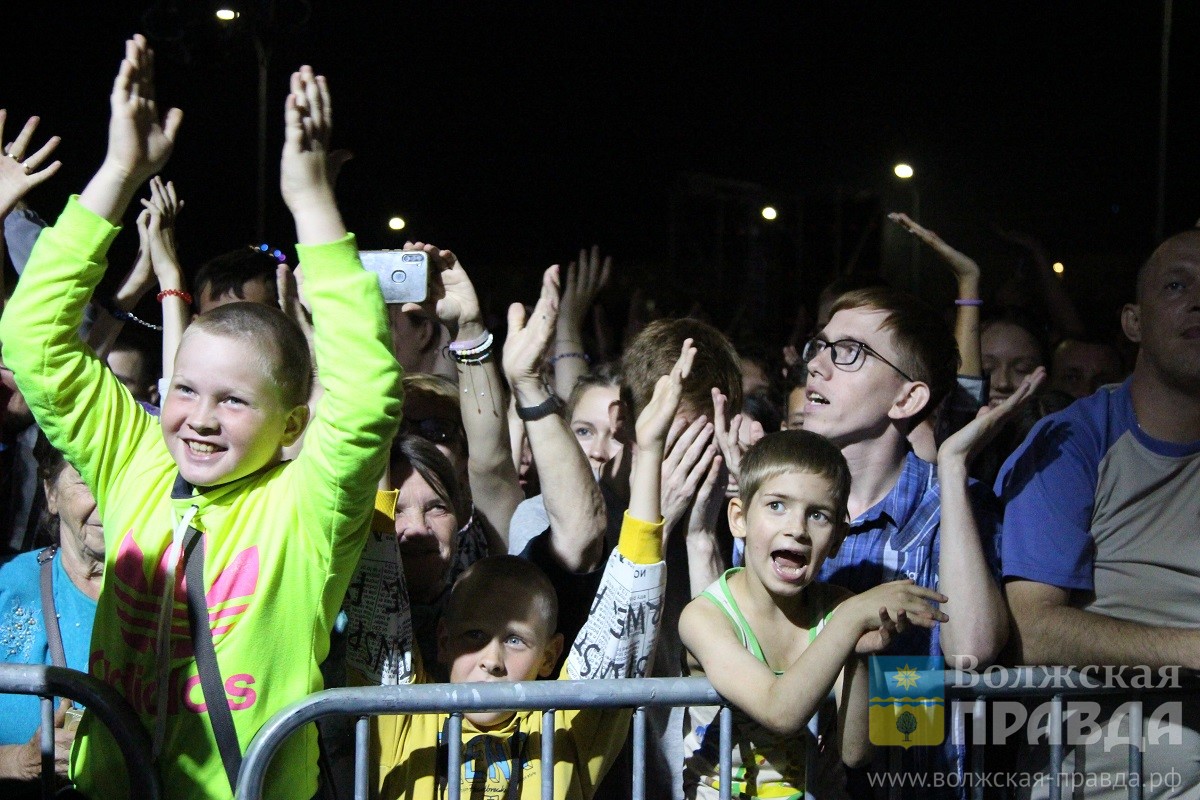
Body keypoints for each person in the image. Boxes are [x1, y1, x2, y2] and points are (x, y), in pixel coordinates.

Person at [0, 38, 402, 800]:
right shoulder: (136, 463)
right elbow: (31, 339)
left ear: (291, 425)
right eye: (184, 391)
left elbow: (368, 394)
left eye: (235, 400)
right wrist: (119, 173)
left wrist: (313, 203)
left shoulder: (308, 505)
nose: (197, 420)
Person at [373, 304, 688, 800]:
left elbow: (629, 609)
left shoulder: (564, 728)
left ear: (552, 656)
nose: (492, 661)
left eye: (516, 640)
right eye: (474, 635)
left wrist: (647, 453)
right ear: (442, 639)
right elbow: (376, 575)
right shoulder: (404, 714)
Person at [999, 227, 1200, 800]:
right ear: (1133, 322)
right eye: (1177, 285)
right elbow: (1031, 632)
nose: (1198, 301)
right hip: (1107, 779)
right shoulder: (1072, 441)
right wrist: (1192, 650)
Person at [801, 286, 1011, 795]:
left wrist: (954, 469)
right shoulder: (779, 504)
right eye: (820, 346)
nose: (817, 366)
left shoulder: (958, 505)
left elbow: (972, 653)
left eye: (848, 352)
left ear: (908, 397)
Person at [680, 429, 948, 798]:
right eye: (776, 505)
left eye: (818, 515)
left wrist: (857, 656)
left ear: (838, 538)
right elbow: (780, 712)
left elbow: (856, 753)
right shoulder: (705, 616)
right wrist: (850, 621)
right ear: (739, 518)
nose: (796, 529)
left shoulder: (837, 608)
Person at [0, 435, 102, 797]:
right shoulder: (6, 586)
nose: (107, 499)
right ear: (51, 492)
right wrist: (14, 762)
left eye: (122, 480)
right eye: (88, 478)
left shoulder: (179, 603)